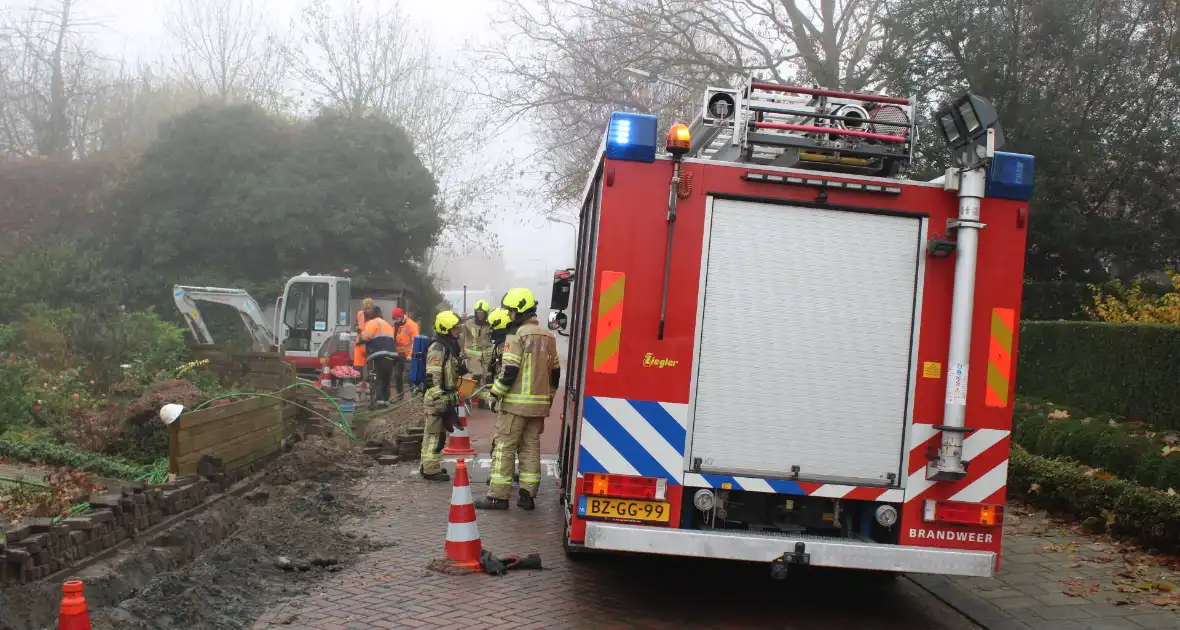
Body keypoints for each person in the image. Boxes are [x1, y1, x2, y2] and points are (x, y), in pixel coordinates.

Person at [475, 288, 560, 511]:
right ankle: (527, 495)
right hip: (539, 408)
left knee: (504, 447)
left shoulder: (516, 336)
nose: (510, 316)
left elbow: (509, 370)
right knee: (531, 447)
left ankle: (498, 497)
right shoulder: (549, 337)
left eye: (511, 312)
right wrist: (548, 399)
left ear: (519, 310)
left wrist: (494, 395)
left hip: (515, 406)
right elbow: (556, 373)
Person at [420, 310, 466, 482]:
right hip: (436, 399)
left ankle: (428, 466)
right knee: (433, 436)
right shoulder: (438, 347)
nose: (458, 331)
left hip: (444, 397)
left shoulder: (449, 345)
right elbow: (433, 377)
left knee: (437, 435)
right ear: (445, 328)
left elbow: (448, 370)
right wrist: (440, 400)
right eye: (455, 328)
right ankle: (430, 470)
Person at [359, 306, 397, 406]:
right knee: (386, 379)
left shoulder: (372, 323)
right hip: (391, 355)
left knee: (378, 378)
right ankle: (385, 401)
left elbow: (365, 336)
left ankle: (379, 402)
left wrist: (360, 335)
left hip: (379, 354)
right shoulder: (387, 324)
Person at [389, 307, 420, 402]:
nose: (395, 320)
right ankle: (400, 395)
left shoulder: (411, 325)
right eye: (394, 318)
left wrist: (410, 355)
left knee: (411, 376)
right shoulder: (395, 326)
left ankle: (414, 396)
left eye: (397, 318)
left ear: (402, 316)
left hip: (409, 355)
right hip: (398, 354)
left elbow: (415, 340)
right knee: (397, 375)